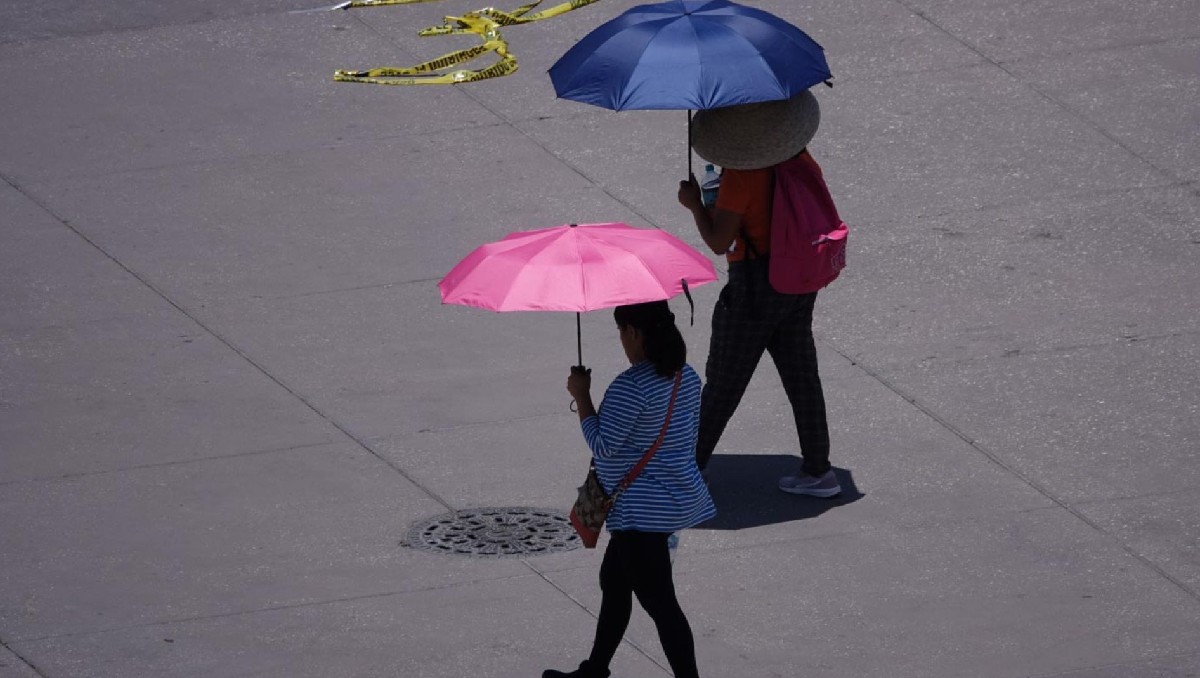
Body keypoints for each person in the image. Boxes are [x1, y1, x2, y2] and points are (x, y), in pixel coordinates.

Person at [676, 89, 841, 498]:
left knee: (723, 383)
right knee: (802, 376)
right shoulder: (799, 158)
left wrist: (696, 204)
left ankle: (687, 473)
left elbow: (719, 240)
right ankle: (819, 471)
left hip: (755, 288)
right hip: (799, 280)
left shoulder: (741, 178)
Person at [545, 300, 714, 678]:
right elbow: (686, 437)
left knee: (661, 605)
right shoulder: (686, 377)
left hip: (639, 514)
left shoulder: (629, 387)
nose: (620, 339)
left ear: (634, 333)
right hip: (670, 501)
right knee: (614, 582)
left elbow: (602, 444)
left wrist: (582, 396)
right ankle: (594, 670)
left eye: (621, 330)